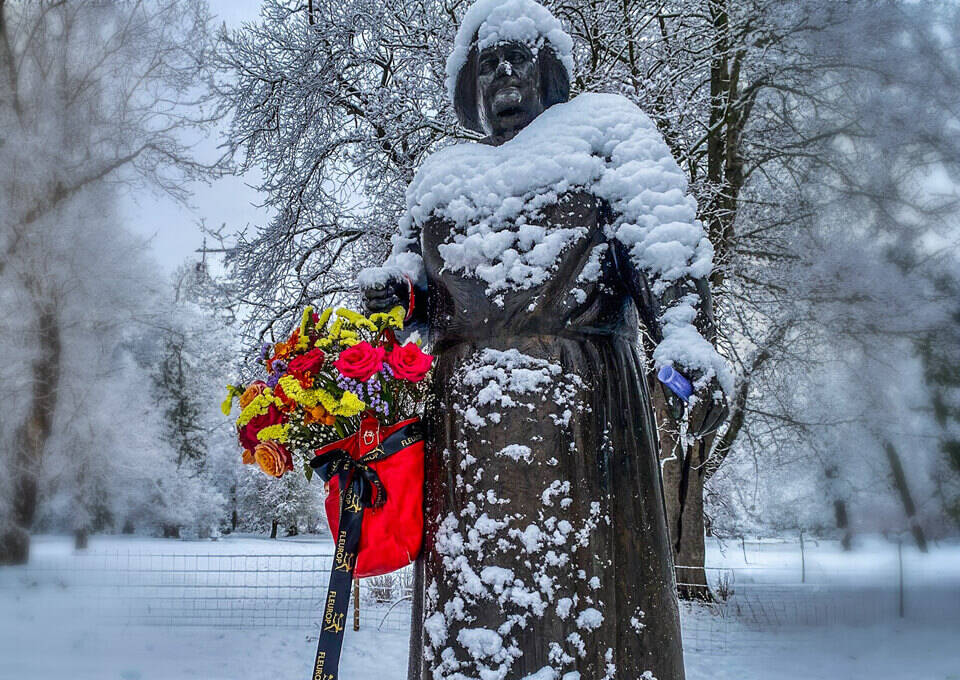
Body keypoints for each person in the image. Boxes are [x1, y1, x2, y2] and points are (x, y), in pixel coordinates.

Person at [361, 1, 729, 677]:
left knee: (581, 612)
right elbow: (416, 284)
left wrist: (683, 336)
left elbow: (662, 243)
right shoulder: (440, 176)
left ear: (548, 69)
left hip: (581, 417)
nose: (504, 74)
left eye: (518, 58)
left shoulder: (606, 130)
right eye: (489, 62)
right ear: (470, 82)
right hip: (465, 437)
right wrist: (396, 295)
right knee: (473, 616)